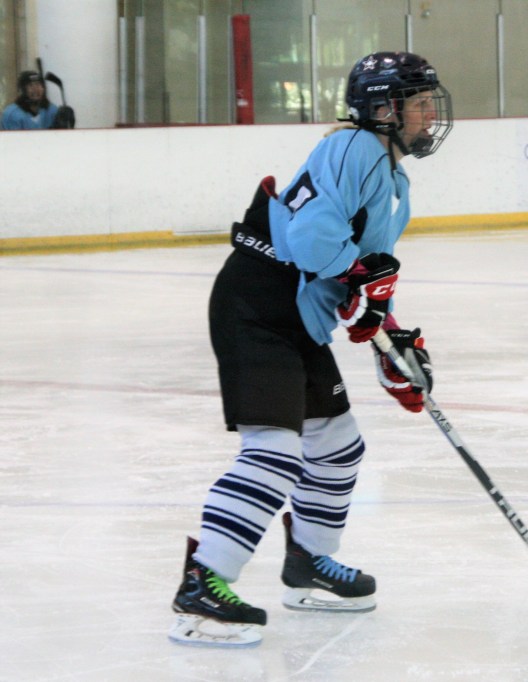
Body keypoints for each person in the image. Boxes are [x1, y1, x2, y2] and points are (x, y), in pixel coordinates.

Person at [169, 51, 453, 648]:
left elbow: (363, 275)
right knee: (274, 452)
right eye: (420, 103)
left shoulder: (393, 180)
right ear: (384, 109)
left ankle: (307, 564)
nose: (431, 114)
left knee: (338, 446)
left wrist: (390, 343)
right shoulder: (354, 148)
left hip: (297, 313)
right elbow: (312, 239)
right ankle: (203, 585)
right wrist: (359, 281)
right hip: (258, 304)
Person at [1, 70, 75, 130]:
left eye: (38, 84)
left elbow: (61, 139)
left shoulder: (51, 110)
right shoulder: (12, 114)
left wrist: (64, 127)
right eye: (30, 85)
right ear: (23, 90)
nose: (36, 89)